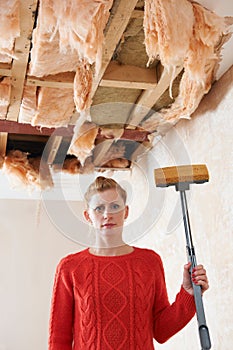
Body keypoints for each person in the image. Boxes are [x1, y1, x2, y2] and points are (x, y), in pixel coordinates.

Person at [48, 176, 209, 349]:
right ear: (88, 216)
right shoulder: (70, 267)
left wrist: (188, 294)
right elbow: (59, 337)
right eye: (99, 208)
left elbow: (161, 331)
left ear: (126, 212)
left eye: (115, 206)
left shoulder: (149, 262)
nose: (107, 214)